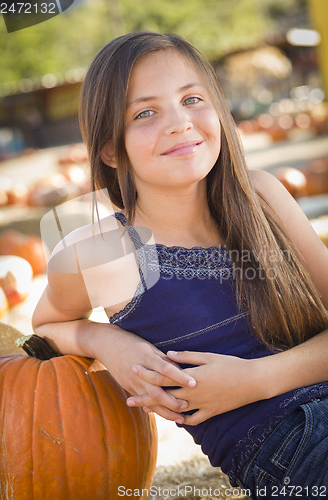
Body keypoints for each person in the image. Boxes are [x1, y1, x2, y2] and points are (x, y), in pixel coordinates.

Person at [32, 31, 328, 498]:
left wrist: (256, 379)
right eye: (145, 112)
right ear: (111, 149)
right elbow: (46, 324)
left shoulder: (262, 197)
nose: (179, 123)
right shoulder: (101, 250)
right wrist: (103, 339)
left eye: (192, 99)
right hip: (291, 449)